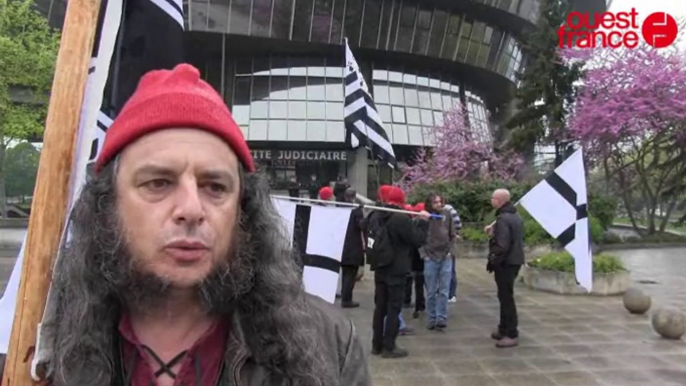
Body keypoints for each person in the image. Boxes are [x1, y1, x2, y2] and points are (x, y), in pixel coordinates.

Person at [40, 64, 370, 385]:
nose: (191, 209)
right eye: (158, 183)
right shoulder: (40, 344)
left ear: (244, 210)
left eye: (215, 187)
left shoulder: (330, 344)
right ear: (107, 204)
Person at [368, 187, 429, 358]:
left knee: (380, 308)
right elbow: (417, 240)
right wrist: (423, 222)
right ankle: (389, 347)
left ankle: (376, 344)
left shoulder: (376, 215)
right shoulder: (400, 218)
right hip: (396, 268)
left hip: (380, 266)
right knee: (394, 308)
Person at [487, 188, 525, 348]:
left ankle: (511, 332)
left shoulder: (503, 218)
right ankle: (503, 328)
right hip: (514, 260)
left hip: (506, 263)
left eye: (493, 198)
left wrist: (493, 260)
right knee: (503, 296)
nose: (491, 200)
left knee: (506, 297)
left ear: (500, 200)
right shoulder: (515, 216)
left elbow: (502, 245)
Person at [420, 193, 457, 331]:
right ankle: (431, 318)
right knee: (430, 290)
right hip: (430, 256)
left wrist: (450, 252)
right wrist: (424, 255)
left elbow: (453, 235)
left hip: (445, 256)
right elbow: (418, 237)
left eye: (440, 202)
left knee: (444, 289)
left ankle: (441, 317)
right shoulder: (424, 217)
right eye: (435, 202)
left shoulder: (447, 214)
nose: (439, 205)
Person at [340, 188, 365, 308]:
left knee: (345, 273)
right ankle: (347, 299)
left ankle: (345, 296)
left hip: (342, 245)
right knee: (350, 274)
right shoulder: (356, 211)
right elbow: (361, 226)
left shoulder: (339, 208)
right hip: (353, 246)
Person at [443, 203, 462, 303]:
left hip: (449, 245)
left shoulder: (449, 210)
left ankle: (451, 294)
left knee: (450, 270)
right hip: (442, 246)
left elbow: (458, 224)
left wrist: (453, 233)